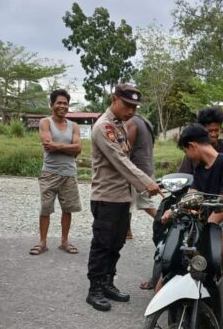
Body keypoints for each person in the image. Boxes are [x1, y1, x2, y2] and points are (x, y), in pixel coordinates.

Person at [86, 84, 162, 311]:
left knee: (116, 243)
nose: (131, 111)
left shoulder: (119, 125)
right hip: (106, 196)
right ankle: (95, 289)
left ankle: (108, 282)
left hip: (121, 197)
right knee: (102, 244)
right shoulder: (103, 127)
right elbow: (120, 160)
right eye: (127, 105)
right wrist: (147, 183)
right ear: (114, 99)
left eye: (134, 107)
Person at [167, 123, 223, 316]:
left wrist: (209, 225)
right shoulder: (199, 167)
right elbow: (194, 191)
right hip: (202, 218)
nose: (187, 156)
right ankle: (156, 313)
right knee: (176, 252)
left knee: (222, 248)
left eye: (186, 151)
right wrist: (176, 207)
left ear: (192, 146)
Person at [31, 89, 82, 256]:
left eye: (66, 103)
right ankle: (42, 242)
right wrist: (69, 148)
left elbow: (78, 148)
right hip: (49, 173)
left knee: (67, 209)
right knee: (45, 209)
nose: (63, 106)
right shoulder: (45, 122)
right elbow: (48, 145)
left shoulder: (74, 126)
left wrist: (58, 146)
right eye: (59, 102)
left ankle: (64, 241)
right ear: (52, 105)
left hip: (69, 173)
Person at [125, 115, 158, 285]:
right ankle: (127, 232)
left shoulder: (132, 122)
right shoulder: (145, 120)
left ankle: (166, 220)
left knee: (144, 203)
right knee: (129, 201)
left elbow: (126, 148)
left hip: (138, 169)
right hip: (146, 165)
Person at [178, 106, 223, 175]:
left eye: (216, 130)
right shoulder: (193, 149)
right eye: (210, 131)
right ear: (202, 130)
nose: (213, 134)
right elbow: (183, 175)